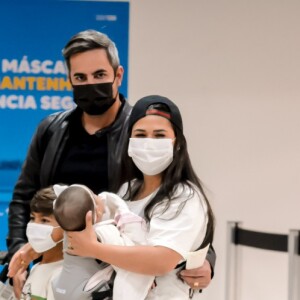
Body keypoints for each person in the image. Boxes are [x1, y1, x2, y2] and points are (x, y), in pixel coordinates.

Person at [7, 29, 216, 292]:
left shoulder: (140, 130)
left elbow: (175, 207)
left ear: (117, 75)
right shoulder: (51, 130)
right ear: (69, 79)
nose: (90, 83)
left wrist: (206, 258)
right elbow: (25, 196)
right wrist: (22, 252)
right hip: (56, 265)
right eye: (80, 77)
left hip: (116, 274)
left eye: (99, 75)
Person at [66, 95, 215, 299]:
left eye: (159, 135)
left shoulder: (184, 196)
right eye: (141, 134)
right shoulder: (126, 191)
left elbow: (162, 261)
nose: (148, 142)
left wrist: (94, 249)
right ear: (130, 141)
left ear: (177, 143)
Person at [52, 184, 153, 300]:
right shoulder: (103, 232)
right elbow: (131, 257)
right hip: (87, 290)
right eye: (95, 196)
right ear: (97, 213)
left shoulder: (69, 233)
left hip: (63, 287)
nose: (101, 197)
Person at [20, 186, 64, 300]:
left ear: (67, 225)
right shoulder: (36, 267)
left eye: (44, 220)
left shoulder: (60, 276)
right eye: (32, 218)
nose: (35, 225)